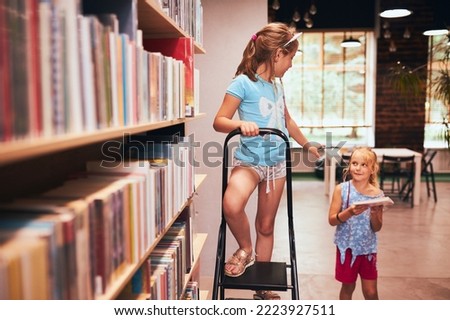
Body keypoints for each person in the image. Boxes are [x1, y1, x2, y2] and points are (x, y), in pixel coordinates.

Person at [213, 22, 321, 300]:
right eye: (291, 58)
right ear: (276, 55)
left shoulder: (277, 86)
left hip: (277, 165)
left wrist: (307, 144)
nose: (292, 65)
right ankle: (246, 249)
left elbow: (287, 121)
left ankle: (262, 288)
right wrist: (240, 125)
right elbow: (219, 121)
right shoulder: (243, 82)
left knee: (266, 225)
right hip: (249, 162)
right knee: (232, 204)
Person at [328, 147, 384, 300]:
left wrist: (374, 214)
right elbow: (332, 220)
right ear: (349, 165)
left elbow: (377, 227)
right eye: (354, 163)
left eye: (364, 165)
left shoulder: (377, 195)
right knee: (348, 287)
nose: (358, 168)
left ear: (372, 169)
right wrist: (349, 212)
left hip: (368, 250)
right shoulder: (342, 189)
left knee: (371, 292)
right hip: (347, 249)